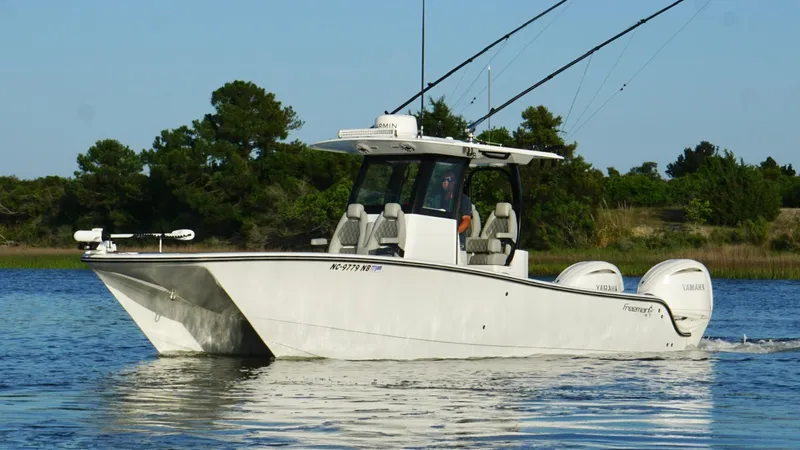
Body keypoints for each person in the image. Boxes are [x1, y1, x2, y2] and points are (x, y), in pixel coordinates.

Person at [438, 171, 472, 249]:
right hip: (439, 236)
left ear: (454, 182)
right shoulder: (438, 199)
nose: (445, 182)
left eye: (448, 180)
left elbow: (466, 221)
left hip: (457, 239)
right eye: (443, 180)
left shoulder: (463, 199)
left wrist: (453, 234)